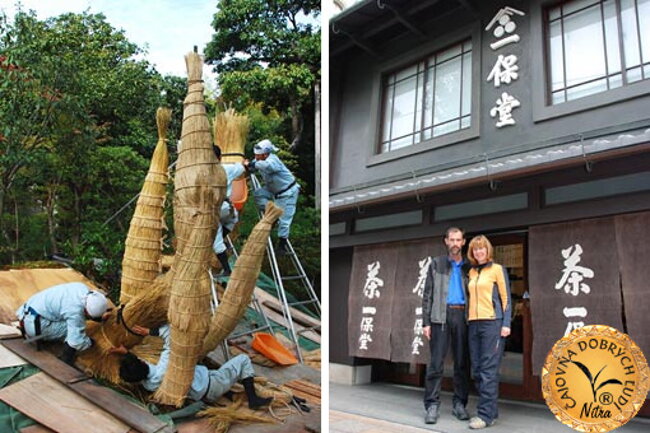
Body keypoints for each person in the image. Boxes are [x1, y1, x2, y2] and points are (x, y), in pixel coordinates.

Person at [113, 324, 272, 409]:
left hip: (199, 393)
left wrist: (126, 352)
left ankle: (229, 389)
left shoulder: (148, 383)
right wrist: (149, 331)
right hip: (213, 384)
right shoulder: (165, 366)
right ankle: (253, 399)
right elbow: (171, 335)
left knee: (213, 370)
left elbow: (139, 368)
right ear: (141, 362)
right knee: (243, 360)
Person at [421, 227, 471, 424]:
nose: (455, 243)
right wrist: (426, 322)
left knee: (461, 363)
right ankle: (432, 405)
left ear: (464, 242)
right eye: (452, 240)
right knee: (435, 364)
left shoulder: (470, 266)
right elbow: (427, 295)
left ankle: (460, 404)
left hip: (463, 315)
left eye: (459, 240)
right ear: (446, 241)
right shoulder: (436, 264)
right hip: (439, 316)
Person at [466, 235, 512, 429]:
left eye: (481, 248)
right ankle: (491, 412)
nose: (479, 252)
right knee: (476, 370)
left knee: (488, 371)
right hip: (474, 324)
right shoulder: (471, 272)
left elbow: (506, 298)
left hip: (492, 323)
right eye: (475, 249)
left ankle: (485, 416)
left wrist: (506, 323)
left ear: (488, 250)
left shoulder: (497, 270)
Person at [15, 282, 110, 365]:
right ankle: (65, 360)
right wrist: (91, 343)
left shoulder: (82, 288)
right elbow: (76, 342)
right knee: (74, 333)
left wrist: (100, 317)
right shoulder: (75, 311)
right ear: (86, 311)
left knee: (76, 324)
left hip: (29, 311)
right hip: (34, 325)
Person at [245, 139, 299, 255]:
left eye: (258, 155)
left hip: (287, 192)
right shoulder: (259, 160)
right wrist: (247, 167)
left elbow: (268, 166)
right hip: (273, 190)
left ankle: (282, 244)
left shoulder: (273, 160)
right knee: (259, 194)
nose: (256, 157)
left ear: (265, 154)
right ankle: (270, 212)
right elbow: (254, 166)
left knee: (284, 220)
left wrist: (253, 164)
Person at [212, 145, 246, 276]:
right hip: (226, 209)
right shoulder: (227, 169)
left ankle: (227, 269)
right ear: (219, 157)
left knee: (215, 241)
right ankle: (223, 239)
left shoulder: (200, 173)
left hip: (211, 211)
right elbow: (243, 167)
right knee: (232, 220)